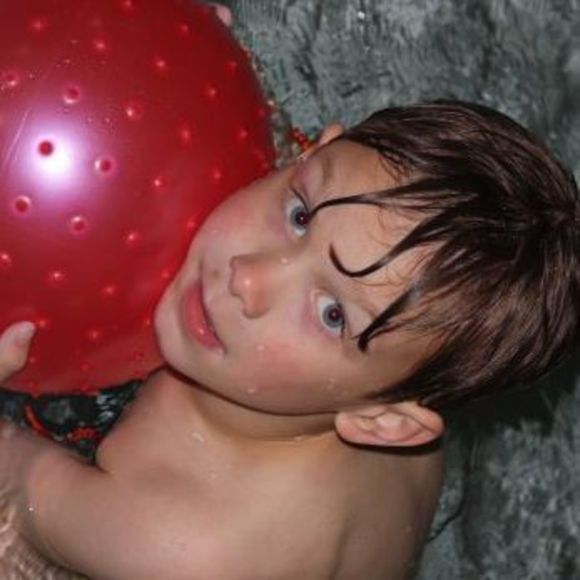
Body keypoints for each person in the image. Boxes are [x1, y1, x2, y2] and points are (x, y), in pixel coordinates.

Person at [0, 99, 578, 579]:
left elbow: (15, 482)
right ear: (312, 151)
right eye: (300, 215)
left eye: (331, 315)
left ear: (383, 421)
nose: (248, 277)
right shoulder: (392, 361)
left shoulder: (183, 544)